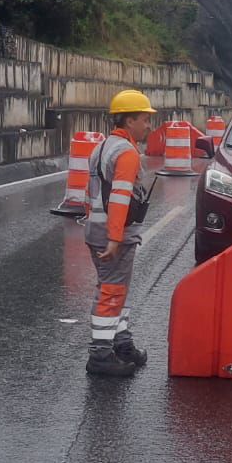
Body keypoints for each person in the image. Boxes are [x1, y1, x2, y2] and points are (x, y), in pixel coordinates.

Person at [83, 90, 159, 377]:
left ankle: (122, 344)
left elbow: (88, 194)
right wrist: (115, 238)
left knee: (117, 290)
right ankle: (101, 355)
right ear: (129, 120)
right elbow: (119, 199)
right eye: (144, 119)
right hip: (114, 236)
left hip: (96, 230)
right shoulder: (126, 153)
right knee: (112, 291)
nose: (149, 126)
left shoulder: (102, 147)